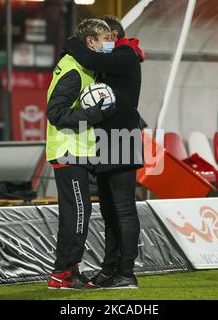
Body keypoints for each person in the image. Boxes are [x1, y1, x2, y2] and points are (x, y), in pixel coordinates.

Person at [65, 15, 145, 289]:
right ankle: (110, 270)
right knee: (110, 211)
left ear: (111, 36)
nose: (98, 46)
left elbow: (92, 60)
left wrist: (73, 44)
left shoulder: (126, 55)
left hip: (122, 137)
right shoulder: (115, 59)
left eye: (101, 38)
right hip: (106, 139)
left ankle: (127, 273)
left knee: (123, 209)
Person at [46, 19, 116, 290]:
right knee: (76, 213)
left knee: (78, 212)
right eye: (104, 40)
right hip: (68, 151)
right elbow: (55, 113)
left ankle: (67, 271)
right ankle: (63, 272)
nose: (108, 45)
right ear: (90, 42)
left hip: (77, 151)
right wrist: (94, 114)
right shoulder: (74, 71)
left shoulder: (82, 66)